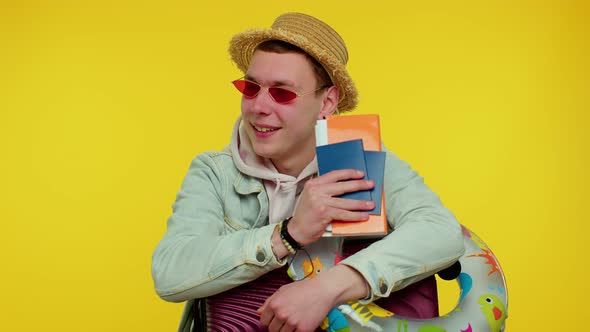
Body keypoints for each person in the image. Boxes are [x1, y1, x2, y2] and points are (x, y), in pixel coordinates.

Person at [152, 12, 465, 332]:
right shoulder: (215, 172)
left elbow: (442, 232)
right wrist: (288, 234)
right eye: (250, 87)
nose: (258, 106)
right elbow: (170, 273)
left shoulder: (362, 158)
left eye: (282, 92)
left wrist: (327, 289)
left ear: (327, 102)